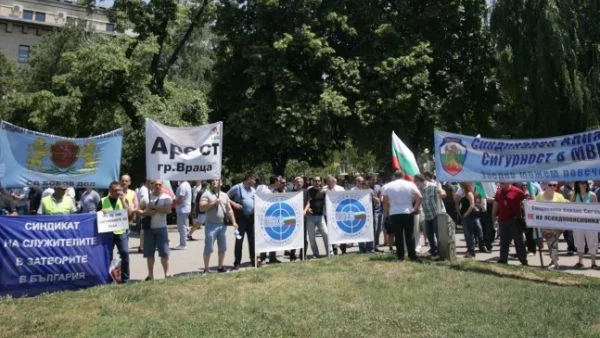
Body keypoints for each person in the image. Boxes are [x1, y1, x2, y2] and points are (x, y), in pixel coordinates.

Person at [382, 170, 423, 262]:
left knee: (398, 235)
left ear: (394, 176)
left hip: (394, 212)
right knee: (409, 235)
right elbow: (420, 197)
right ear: (403, 176)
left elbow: (385, 201)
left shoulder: (388, 186)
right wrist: (415, 208)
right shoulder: (410, 184)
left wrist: (387, 212)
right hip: (408, 211)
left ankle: (400, 256)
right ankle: (412, 255)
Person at [199, 179, 237, 273]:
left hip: (222, 225)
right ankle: (206, 269)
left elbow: (229, 210)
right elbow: (201, 207)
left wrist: (234, 222)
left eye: (217, 180)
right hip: (210, 226)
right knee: (208, 248)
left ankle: (220, 267)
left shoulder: (224, 195)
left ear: (221, 183)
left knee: (222, 248)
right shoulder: (206, 194)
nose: (214, 182)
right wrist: (213, 203)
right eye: (213, 181)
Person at [97, 181, 131, 283]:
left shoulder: (123, 200)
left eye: (119, 190)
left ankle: (125, 279)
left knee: (125, 253)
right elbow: (96, 215)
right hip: (107, 233)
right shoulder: (102, 201)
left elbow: (129, 213)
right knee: (108, 256)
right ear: (110, 191)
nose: (118, 192)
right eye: (115, 190)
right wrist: (100, 212)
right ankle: (108, 279)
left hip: (121, 231)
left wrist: (123, 201)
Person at [139, 180, 172, 280]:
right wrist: (146, 212)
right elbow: (139, 210)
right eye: (155, 184)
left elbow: (168, 210)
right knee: (149, 254)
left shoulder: (166, 197)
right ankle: (151, 275)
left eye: (159, 184)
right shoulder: (146, 197)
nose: (157, 186)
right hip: (149, 229)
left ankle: (167, 274)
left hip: (161, 228)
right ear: (152, 185)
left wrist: (155, 207)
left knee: (164, 253)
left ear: (162, 185)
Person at [492, 182, 528, 266]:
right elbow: (496, 203)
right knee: (504, 241)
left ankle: (523, 260)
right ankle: (503, 259)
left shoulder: (518, 192)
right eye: (500, 183)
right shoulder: (499, 192)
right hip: (502, 220)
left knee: (518, 241)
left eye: (503, 183)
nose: (501, 185)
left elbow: (525, 203)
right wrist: (493, 215)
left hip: (514, 220)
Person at [536, 181, 568, 270]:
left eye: (554, 185)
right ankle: (553, 260)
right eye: (550, 185)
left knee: (552, 242)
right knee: (551, 243)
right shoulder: (540, 195)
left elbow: (564, 209)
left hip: (556, 224)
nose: (552, 187)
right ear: (545, 185)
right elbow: (534, 206)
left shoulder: (559, 196)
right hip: (544, 224)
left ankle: (555, 263)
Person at [229, 172, 257, 269]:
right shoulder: (237, 187)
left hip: (251, 218)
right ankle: (237, 263)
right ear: (248, 179)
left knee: (252, 240)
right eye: (253, 179)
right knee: (239, 240)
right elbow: (226, 197)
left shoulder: (253, 190)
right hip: (240, 218)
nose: (254, 181)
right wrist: (234, 204)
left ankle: (254, 261)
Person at [414, 174, 446, 258]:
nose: (415, 184)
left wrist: (442, 193)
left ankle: (440, 252)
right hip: (427, 215)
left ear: (421, 181)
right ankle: (434, 251)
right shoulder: (419, 189)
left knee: (438, 234)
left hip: (436, 214)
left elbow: (443, 193)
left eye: (416, 182)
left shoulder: (433, 186)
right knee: (429, 234)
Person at [570, 181, 598, 269]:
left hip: (590, 223)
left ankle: (593, 262)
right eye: (581, 183)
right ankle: (580, 261)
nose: (583, 185)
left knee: (592, 242)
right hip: (578, 223)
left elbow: (596, 209)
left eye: (585, 183)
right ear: (577, 185)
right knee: (579, 242)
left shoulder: (592, 195)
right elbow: (569, 208)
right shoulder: (574, 195)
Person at [352, 175, 380, 253]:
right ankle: (361, 248)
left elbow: (378, 201)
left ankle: (370, 248)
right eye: (361, 183)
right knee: (360, 230)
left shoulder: (370, 191)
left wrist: (372, 197)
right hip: (359, 213)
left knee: (372, 230)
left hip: (370, 213)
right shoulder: (354, 190)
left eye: (364, 183)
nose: (362, 184)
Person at [305, 176, 330, 258]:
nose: (316, 182)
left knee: (326, 234)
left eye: (318, 181)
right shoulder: (309, 191)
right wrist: (307, 208)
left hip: (320, 216)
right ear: (312, 182)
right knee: (311, 237)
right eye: (315, 181)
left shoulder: (324, 191)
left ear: (320, 182)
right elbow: (307, 201)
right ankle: (315, 253)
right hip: (310, 217)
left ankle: (329, 252)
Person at [174, 180, 192, 250]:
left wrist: (174, 201)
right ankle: (183, 243)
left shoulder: (183, 186)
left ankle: (183, 244)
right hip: (185, 209)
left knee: (182, 227)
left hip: (182, 209)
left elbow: (181, 199)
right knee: (182, 227)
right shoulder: (186, 184)